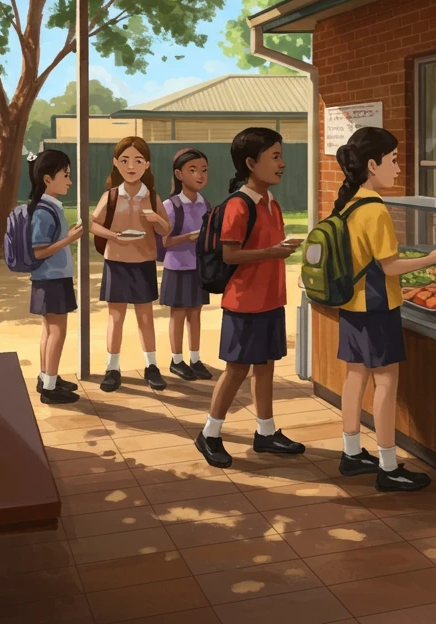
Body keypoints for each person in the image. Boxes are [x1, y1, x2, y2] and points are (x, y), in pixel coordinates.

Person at [332, 127, 436, 491]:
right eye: (394, 160)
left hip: (351, 303)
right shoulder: (375, 209)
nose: (398, 168)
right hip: (378, 306)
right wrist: (433, 258)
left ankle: (351, 453)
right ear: (372, 164)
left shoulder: (349, 202)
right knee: (385, 382)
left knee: (354, 377)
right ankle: (388, 464)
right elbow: (391, 266)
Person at [195, 127, 304, 469]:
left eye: (280, 155)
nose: (282, 163)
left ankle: (266, 432)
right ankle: (209, 434)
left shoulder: (271, 202)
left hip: (271, 298)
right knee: (237, 369)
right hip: (245, 302)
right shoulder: (239, 206)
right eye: (275, 156)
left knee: (266, 365)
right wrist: (272, 251)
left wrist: (277, 252)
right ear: (250, 163)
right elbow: (230, 255)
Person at [89, 136, 171, 392]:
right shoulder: (112, 195)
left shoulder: (152, 196)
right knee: (116, 318)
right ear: (116, 163)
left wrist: (156, 218)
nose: (131, 166)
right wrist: (112, 236)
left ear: (146, 165)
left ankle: (152, 366)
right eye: (125, 160)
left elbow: (166, 229)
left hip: (143, 262)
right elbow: (93, 224)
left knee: (145, 317)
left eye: (137, 160)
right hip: (116, 262)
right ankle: (112, 368)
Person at [27, 150, 84, 405]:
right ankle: (50, 386)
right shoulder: (43, 211)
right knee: (56, 331)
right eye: (66, 175)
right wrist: (69, 239)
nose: (69, 181)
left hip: (51, 278)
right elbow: (38, 250)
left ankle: (46, 376)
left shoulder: (49, 207)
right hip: (51, 278)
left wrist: (65, 237)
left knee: (49, 329)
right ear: (48, 179)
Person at [161, 148, 213, 381]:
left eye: (203, 170)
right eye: (193, 170)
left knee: (196, 314)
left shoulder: (205, 204)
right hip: (177, 267)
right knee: (178, 314)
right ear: (179, 175)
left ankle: (195, 358)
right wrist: (188, 237)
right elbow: (164, 241)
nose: (200, 175)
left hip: (198, 267)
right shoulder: (171, 206)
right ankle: (176, 360)